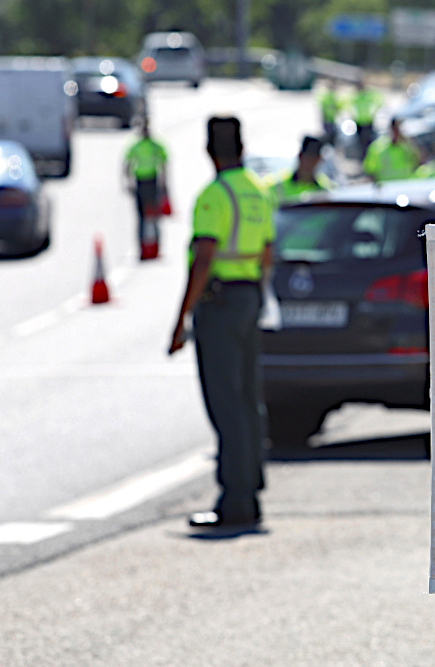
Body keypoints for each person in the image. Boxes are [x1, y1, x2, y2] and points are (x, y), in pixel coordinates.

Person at [169, 116, 275, 528]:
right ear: (243, 148)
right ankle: (250, 490)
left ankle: (234, 499)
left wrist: (181, 319)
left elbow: (203, 259)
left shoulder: (213, 197)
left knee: (225, 402)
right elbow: (267, 253)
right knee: (249, 399)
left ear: (209, 152)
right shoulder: (257, 193)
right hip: (249, 297)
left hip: (219, 302)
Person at [123, 119, 168, 245]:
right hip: (141, 182)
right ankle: (142, 244)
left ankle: (155, 244)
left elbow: (163, 163)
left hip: (152, 181)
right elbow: (128, 165)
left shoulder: (154, 146)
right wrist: (129, 182)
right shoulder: (139, 146)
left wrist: (164, 182)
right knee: (143, 216)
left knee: (153, 215)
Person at [268, 136, 333, 205]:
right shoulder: (277, 185)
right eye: (308, 156)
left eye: (314, 158)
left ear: (319, 159)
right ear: (300, 156)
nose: (310, 162)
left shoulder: (326, 187)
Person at [363, 118, 420, 183]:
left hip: (405, 185)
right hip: (386, 186)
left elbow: (417, 164)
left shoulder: (408, 147)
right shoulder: (378, 147)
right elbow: (369, 169)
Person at [350, 79, 383, 158]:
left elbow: (379, 102)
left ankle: (368, 156)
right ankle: (363, 156)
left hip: (368, 121)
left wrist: (374, 112)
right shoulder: (357, 97)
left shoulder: (369, 96)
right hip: (360, 122)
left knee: (369, 141)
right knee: (361, 142)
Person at [317, 79, 341, 145]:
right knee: (328, 137)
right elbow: (323, 109)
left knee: (334, 136)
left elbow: (338, 107)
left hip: (332, 120)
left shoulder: (334, 97)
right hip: (327, 120)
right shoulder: (327, 97)